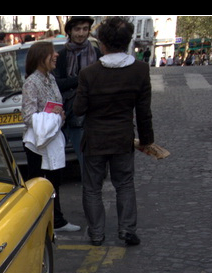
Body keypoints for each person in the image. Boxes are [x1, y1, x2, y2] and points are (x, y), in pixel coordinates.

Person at [74, 17, 154, 247]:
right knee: (125, 184)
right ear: (127, 42)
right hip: (122, 137)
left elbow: (79, 109)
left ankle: (97, 233)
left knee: (92, 188)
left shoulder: (89, 73)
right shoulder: (140, 70)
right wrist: (147, 140)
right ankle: (127, 229)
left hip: (95, 139)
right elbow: (143, 111)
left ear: (102, 44)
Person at [22, 42, 79, 233]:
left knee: (55, 181)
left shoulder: (50, 78)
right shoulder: (32, 82)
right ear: (41, 57)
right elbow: (28, 116)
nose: (56, 55)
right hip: (36, 143)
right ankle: (35, 221)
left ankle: (57, 220)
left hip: (52, 139)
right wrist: (53, 116)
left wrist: (58, 116)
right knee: (37, 183)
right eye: (51, 52)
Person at [54, 16, 101, 174]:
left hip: (94, 112)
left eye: (84, 29)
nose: (81, 33)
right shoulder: (62, 56)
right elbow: (58, 83)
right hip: (71, 113)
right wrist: (81, 78)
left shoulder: (96, 53)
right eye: (77, 29)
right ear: (70, 31)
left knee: (92, 160)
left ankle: (91, 186)